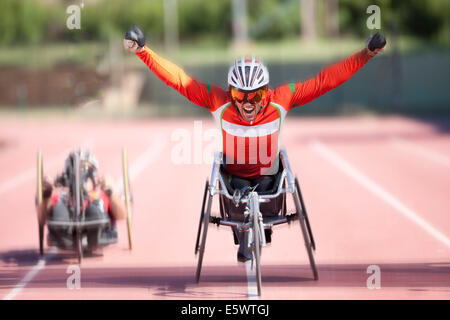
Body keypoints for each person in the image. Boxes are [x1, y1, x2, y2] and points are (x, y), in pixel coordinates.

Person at [123, 26, 386, 261]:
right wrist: (143, 52)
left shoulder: (282, 99)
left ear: (266, 91)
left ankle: (254, 228)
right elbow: (179, 79)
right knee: (238, 189)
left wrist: (366, 54)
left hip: (269, 179)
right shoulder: (218, 101)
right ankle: (245, 231)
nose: (248, 102)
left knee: (267, 186)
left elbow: (324, 81)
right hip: (234, 180)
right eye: (240, 94)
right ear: (231, 92)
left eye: (255, 95)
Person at [38, 150, 127, 251]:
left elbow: (122, 215)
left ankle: (93, 234)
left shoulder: (103, 195)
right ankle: (65, 235)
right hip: (66, 227)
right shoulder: (59, 197)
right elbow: (42, 219)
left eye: (85, 171)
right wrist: (46, 195)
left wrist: (110, 192)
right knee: (58, 209)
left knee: (94, 210)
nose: (80, 176)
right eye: (76, 170)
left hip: (96, 222)